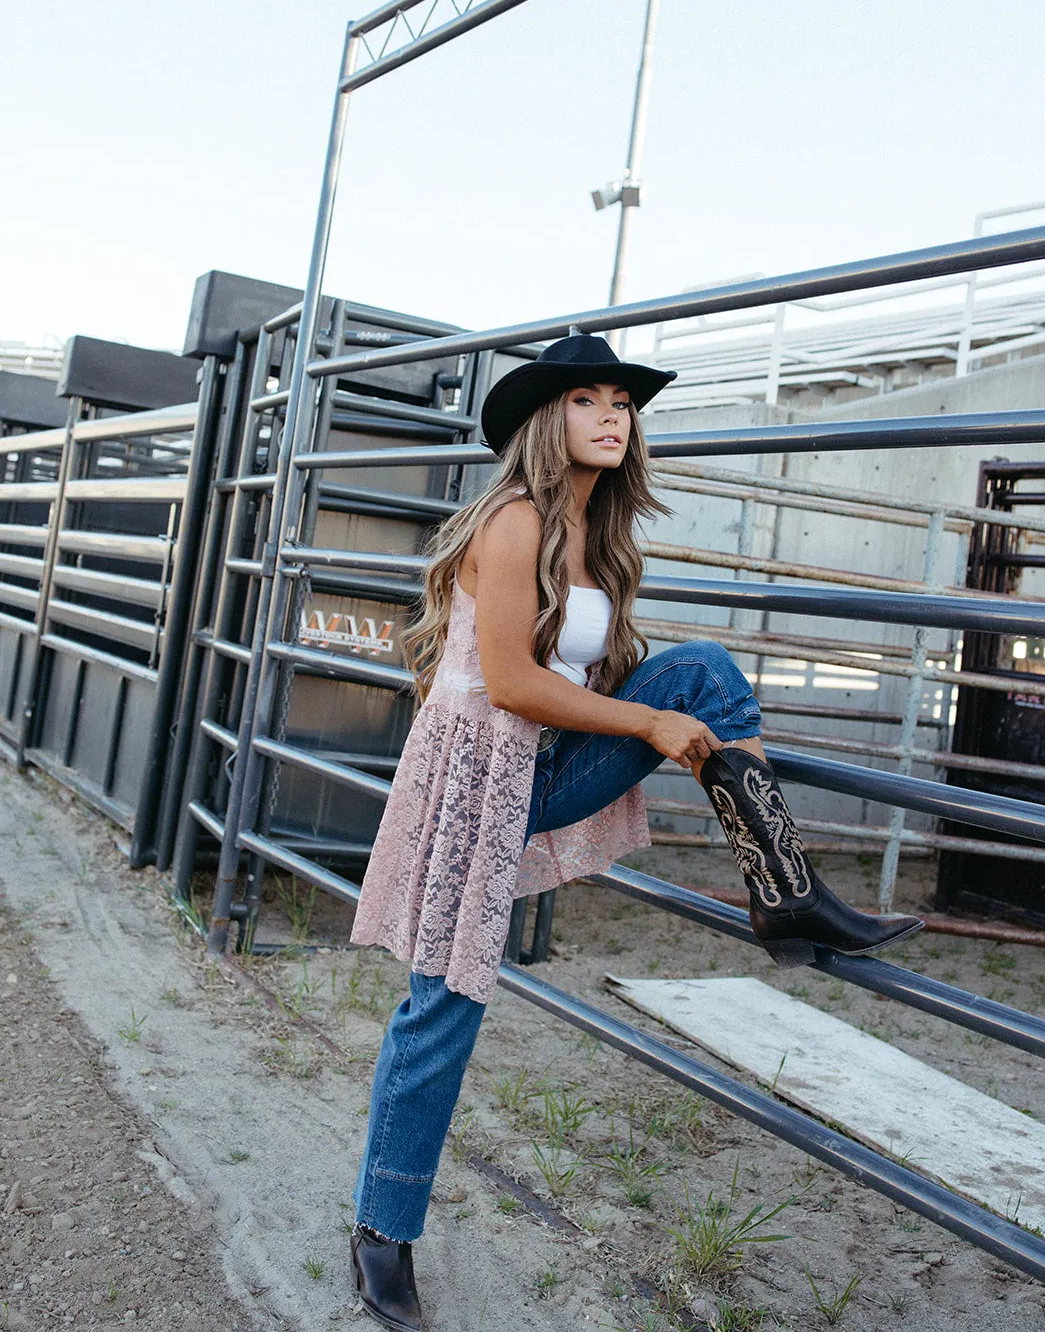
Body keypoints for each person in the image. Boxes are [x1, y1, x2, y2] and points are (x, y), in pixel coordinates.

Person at [345, 333, 921, 1330]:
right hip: (480, 778)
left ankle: (784, 894)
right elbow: (516, 682)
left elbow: (573, 680)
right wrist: (649, 724)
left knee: (700, 671)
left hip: (543, 761)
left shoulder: (593, 532)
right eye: (587, 400)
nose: (611, 416)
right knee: (443, 1003)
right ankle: (381, 1229)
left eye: (622, 401)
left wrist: (644, 702)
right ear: (547, 417)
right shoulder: (514, 520)